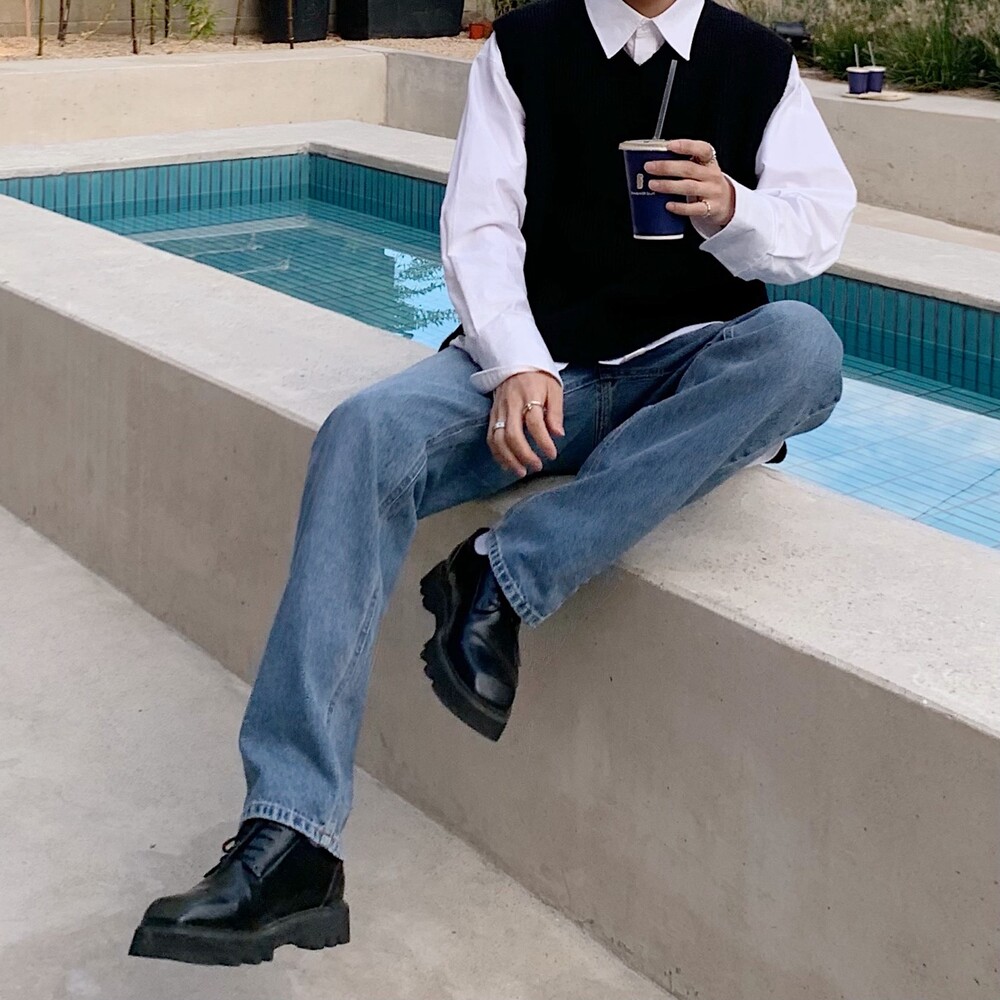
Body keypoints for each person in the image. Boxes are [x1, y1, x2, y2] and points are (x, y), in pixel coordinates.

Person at [129, 0, 856, 967]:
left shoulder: (754, 62)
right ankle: (292, 836)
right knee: (365, 434)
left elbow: (819, 226)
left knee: (804, 349)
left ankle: (502, 574)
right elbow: (479, 226)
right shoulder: (526, 45)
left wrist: (734, 210)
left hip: (682, 369)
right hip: (541, 373)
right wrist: (517, 360)